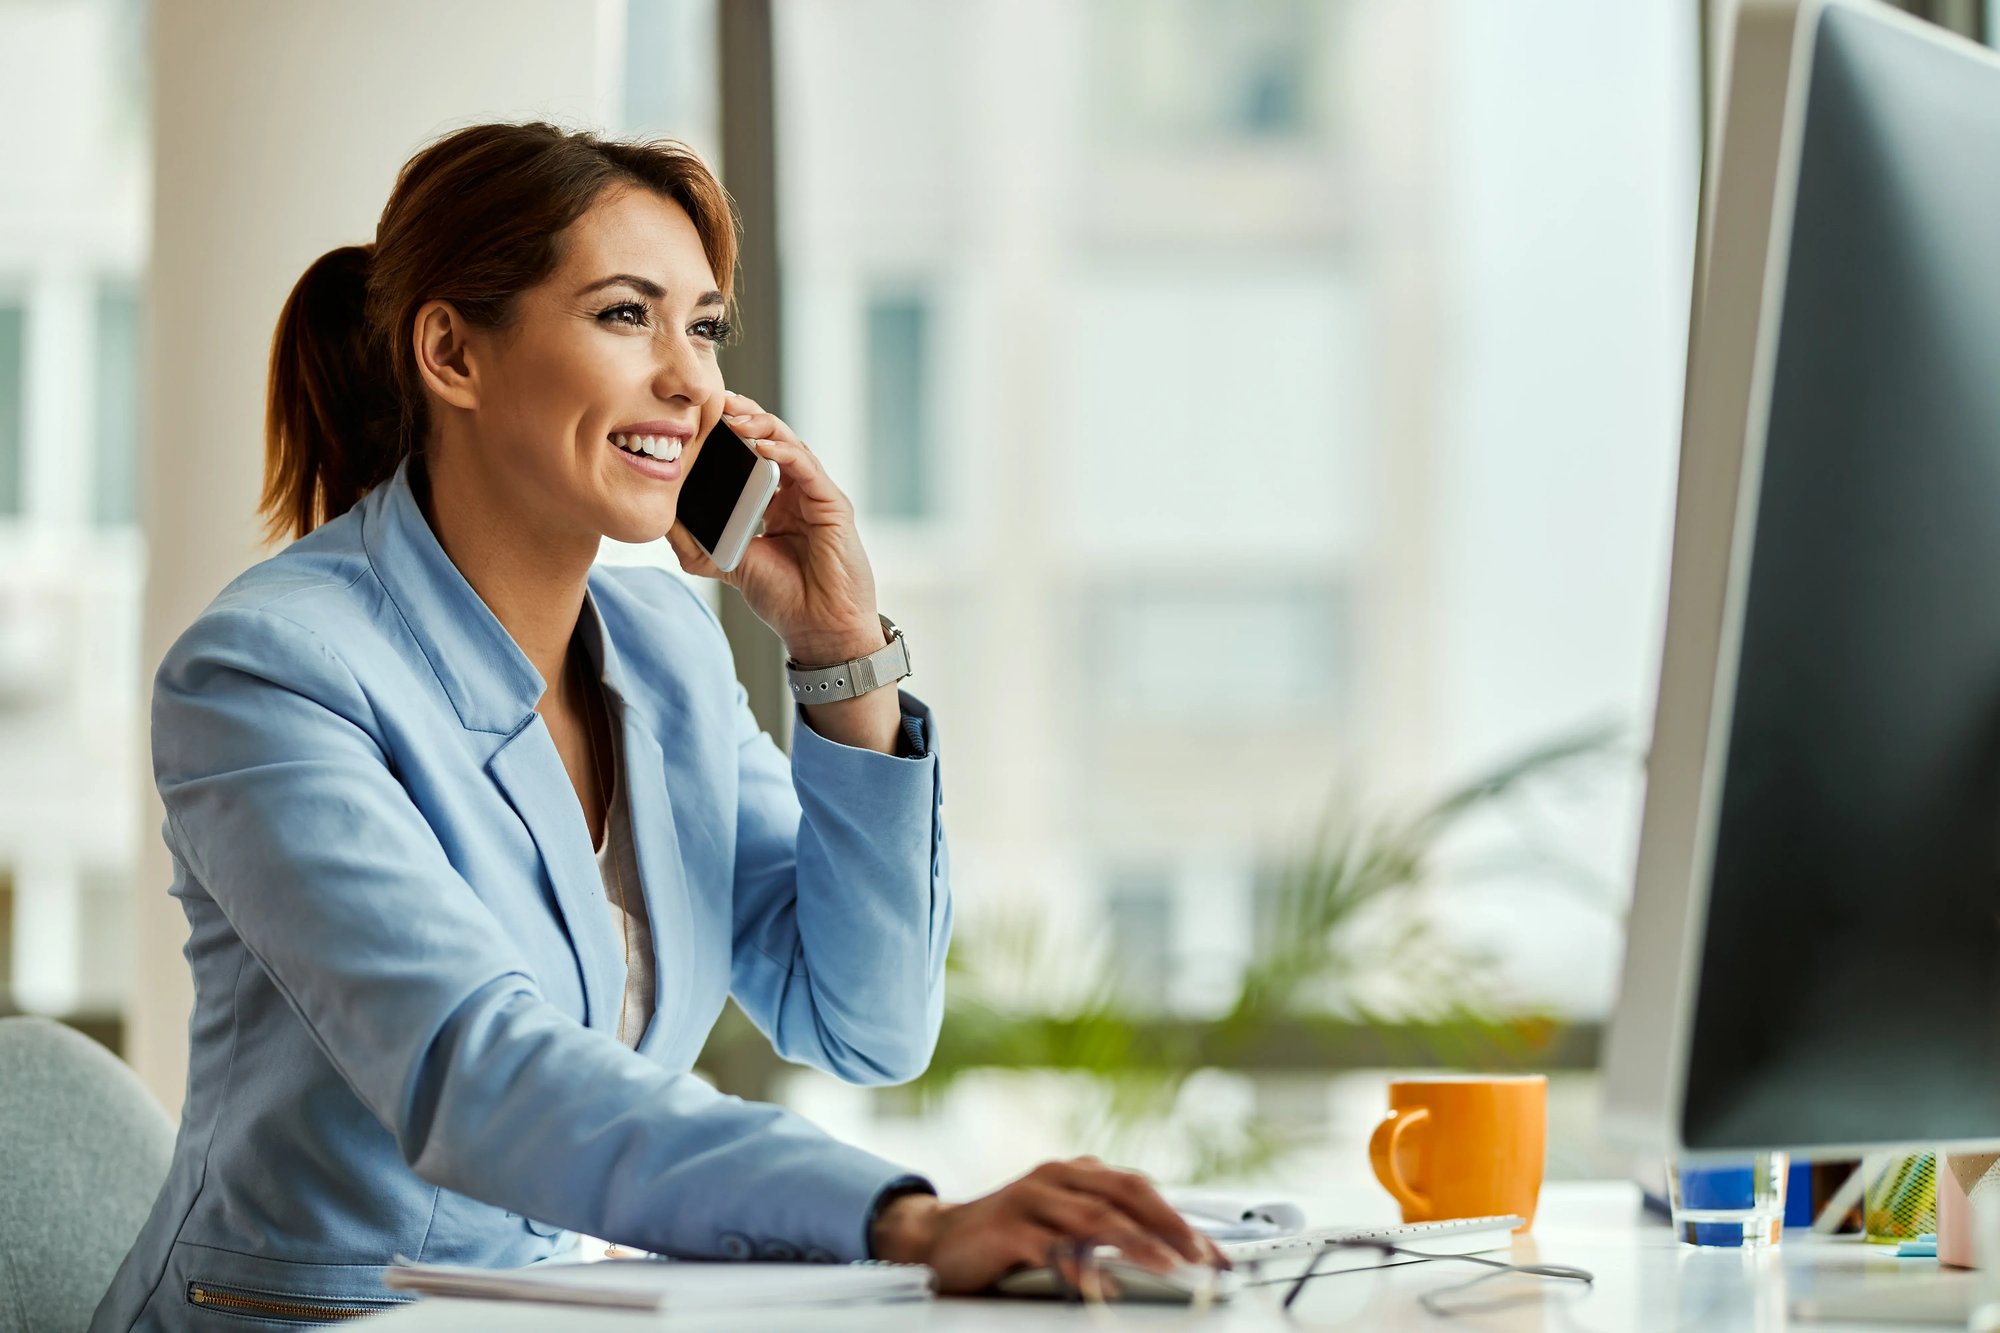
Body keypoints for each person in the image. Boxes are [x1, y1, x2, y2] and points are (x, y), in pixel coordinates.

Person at [94, 123, 1215, 1329]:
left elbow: (868, 1022)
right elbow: (473, 1074)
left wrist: (841, 656)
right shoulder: (269, 672)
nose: (691, 381)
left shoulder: (665, 649)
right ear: (451, 353)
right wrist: (903, 1218)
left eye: (704, 326)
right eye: (627, 315)